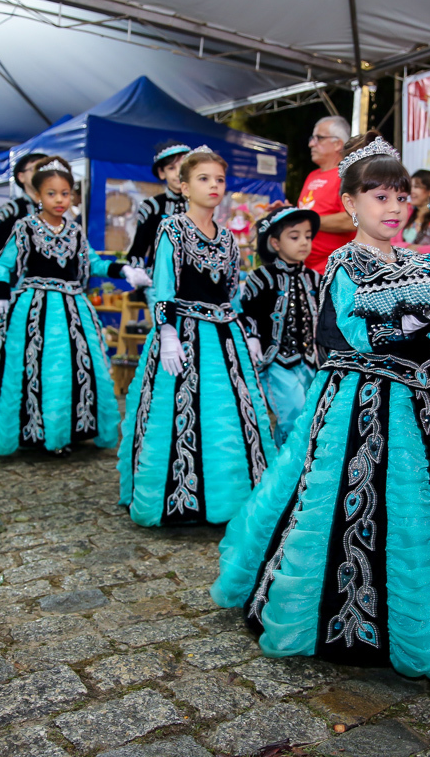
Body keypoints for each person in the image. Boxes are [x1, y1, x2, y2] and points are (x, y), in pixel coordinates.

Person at [211, 132, 430, 681]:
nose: (393, 208)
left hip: (424, 398)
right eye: (380, 197)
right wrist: (414, 316)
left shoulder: (415, 261)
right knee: (352, 502)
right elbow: (355, 335)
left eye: (401, 197)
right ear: (350, 203)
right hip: (363, 405)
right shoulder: (344, 264)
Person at [118, 146, 276, 527]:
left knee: (228, 417)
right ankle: (180, 499)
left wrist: (249, 332)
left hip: (225, 338)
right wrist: (167, 331)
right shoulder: (171, 229)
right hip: (184, 334)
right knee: (179, 414)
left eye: (219, 179)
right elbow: (164, 285)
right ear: (185, 187)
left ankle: (229, 498)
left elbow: (233, 292)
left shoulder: (228, 238)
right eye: (204, 179)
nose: (214, 186)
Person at [0, 159, 152, 457]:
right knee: (33, 366)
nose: (60, 200)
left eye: (65, 193)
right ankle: (34, 431)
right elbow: (3, 264)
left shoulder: (75, 231)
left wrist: (123, 270)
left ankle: (68, 430)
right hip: (33, 310)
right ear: (38, 195)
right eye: (51, 193)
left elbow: (93, 263)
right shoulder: (25, 227)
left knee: (72, 368)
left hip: (71, 310)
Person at [240, 207, 321, 447]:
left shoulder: (315, 278)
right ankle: (288, 465)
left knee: (311, 414)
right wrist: (252, 337)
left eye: (308, 236)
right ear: (275, 243)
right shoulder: (261, 277)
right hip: (276, 362)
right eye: (294, 237)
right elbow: (248, 312)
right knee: (292, 415)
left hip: (311, 361)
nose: (304, 242)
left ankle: (294, 463)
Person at [297, 116, 354, 274]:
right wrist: (288, 213)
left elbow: (352, 220)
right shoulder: (312, 175)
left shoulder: (348, 175)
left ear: (338, 144)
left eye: (319, 138)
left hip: (334, 272)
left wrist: (306, 220)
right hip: (305, 269)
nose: (311, 144)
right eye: (312, 138)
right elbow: (307, 211)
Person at [126, 140, 190, 267]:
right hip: (159, 272)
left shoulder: (199, 204)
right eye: (171, 168)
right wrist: (137, 271)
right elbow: (139, 248)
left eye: (183, 167)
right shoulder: (152, 206)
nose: (178, 173)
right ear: (161, 173)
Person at [0, 152, 49, 256]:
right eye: (36, 169)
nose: (41, 174)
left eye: (45, 169)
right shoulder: (12, 209)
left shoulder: (55, 207)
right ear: (21, 177)